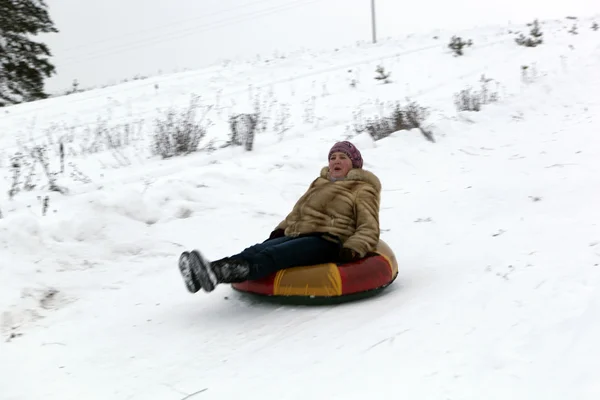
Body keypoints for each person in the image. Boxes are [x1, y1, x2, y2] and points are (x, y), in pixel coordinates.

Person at [178, 140, 382, 293]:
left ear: (354, 164)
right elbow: (298, 212)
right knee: (256, 249)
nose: (336, 161)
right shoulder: (320, 183)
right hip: (299, 234)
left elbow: (369, 225)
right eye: (332, 157)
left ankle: (216, 274)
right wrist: (281, 229)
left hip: (327, 240)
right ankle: (203, 274)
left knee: (271, 256)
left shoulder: (362, 189)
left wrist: (353, 249)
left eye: (342, 157)